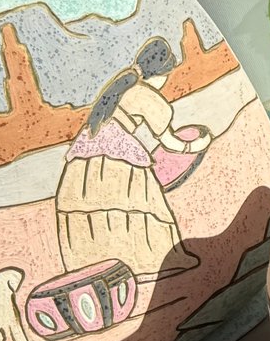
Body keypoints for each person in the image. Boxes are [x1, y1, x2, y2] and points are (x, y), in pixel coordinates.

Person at [53, 37, 210, 279]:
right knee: (141, 202)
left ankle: (97, 267)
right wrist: (197, 144)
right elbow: (170, 143)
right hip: (116, 158)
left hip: (83, 159)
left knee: (94, 209)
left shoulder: (120, 89)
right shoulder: (147, 96)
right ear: (162, 73)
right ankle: (156, 261)